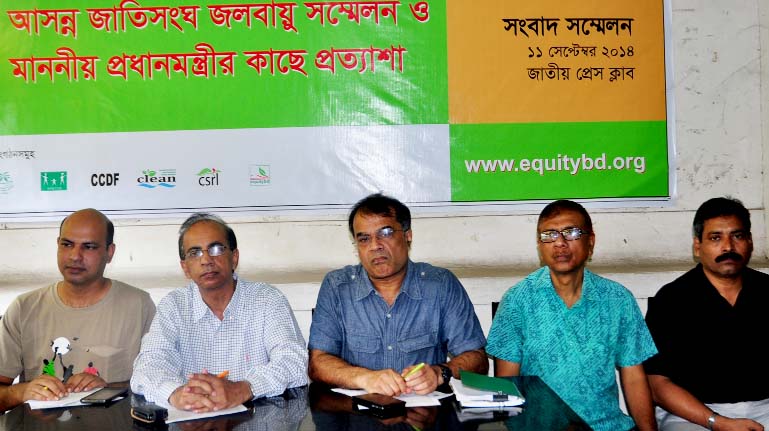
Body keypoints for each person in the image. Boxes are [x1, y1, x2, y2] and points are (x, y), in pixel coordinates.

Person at [487, 199, 658, 431]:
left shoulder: (618, 299)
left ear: (591, 241)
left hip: (607, 427)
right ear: (540, 244)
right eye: (549, 234)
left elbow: (634, 378)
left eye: (572, 232)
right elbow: (507, 389)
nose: (560, 243)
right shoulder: (517, 301)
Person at [308, 193, 487, 397]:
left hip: (424, 415)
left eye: (385, 233)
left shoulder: (440, 285)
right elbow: (317, 362)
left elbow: (477, 359)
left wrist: (440, 373)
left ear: (407, 235)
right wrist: (365, 378)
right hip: (358, 415)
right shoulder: (337, 287)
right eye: (364, 239)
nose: (375, 245)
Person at [131, 213, 308, 412]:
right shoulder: (174, 306)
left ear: (234, 257)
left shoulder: (267, 300)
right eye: (195, 252)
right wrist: (176, 394)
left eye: (215, 249)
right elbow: (148, 366)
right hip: (193, 418)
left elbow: (294, 362)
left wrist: (244, 388)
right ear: (185, 268)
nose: (206, 259)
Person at [0, 208, 156, 411]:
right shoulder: (24, 308)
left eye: (89, 247)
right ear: (58, 245)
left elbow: (159, 387)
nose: (75, 256)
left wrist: (107, 388)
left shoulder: (139, 305)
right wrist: (22, 391)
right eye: (67, 244)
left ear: (109, 253)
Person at [644, 197, 769, 431]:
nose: (728, 247)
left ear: (750, 242)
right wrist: (717, 422)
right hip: (694, 416)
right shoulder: (671, 301)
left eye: (737, 236)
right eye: (715, 238)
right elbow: (656, 384)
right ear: (697, 245)